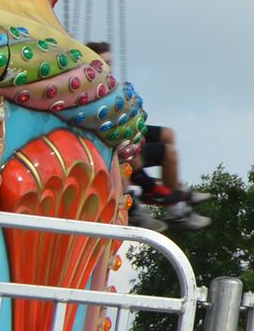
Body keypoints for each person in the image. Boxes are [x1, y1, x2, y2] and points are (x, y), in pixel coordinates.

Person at [87, 42, 208, 231]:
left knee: (167, 134)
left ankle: (173, 192)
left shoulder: (108, 84)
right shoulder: (90, 86)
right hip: (110, 140)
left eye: (110, 62)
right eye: (105, 62)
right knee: (168, 154)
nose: (109, 67)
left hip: (122, 133)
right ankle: (166, 205)